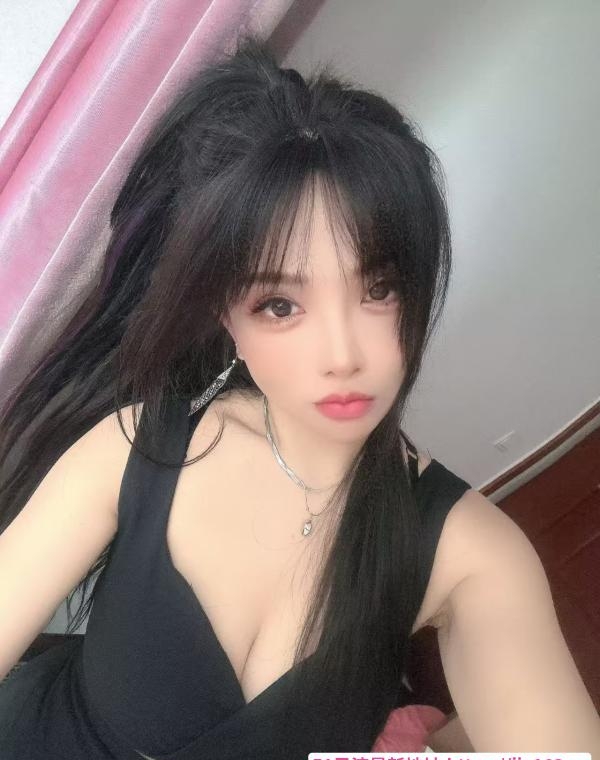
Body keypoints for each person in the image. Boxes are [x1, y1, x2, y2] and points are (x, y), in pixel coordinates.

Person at [0, 31, 599, 760]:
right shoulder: (134, 451)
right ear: (226, 315)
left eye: (378, 289)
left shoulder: (471, 555)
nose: (344, 356)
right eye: (280, 305)